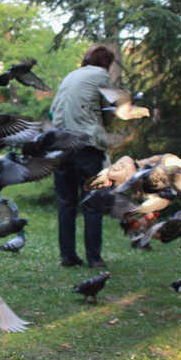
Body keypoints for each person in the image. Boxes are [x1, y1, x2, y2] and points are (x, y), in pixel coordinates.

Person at [50, 45, 115, 268]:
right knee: (93, 203)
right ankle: (94, 258)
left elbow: (55, 108)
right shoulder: (102, 75)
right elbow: (109, 108)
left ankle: (68, 256)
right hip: (86, 146)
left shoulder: (70, 75)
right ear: (107, 63)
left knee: (66, 203)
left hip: (61, 144)